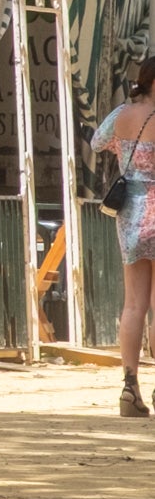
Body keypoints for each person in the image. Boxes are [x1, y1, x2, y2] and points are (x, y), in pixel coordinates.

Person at [91, 58, 155, 417]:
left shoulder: (122, 113)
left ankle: (129, 387)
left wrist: (126, 150)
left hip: (130, 210)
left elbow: (99, 142)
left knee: (134, 304)